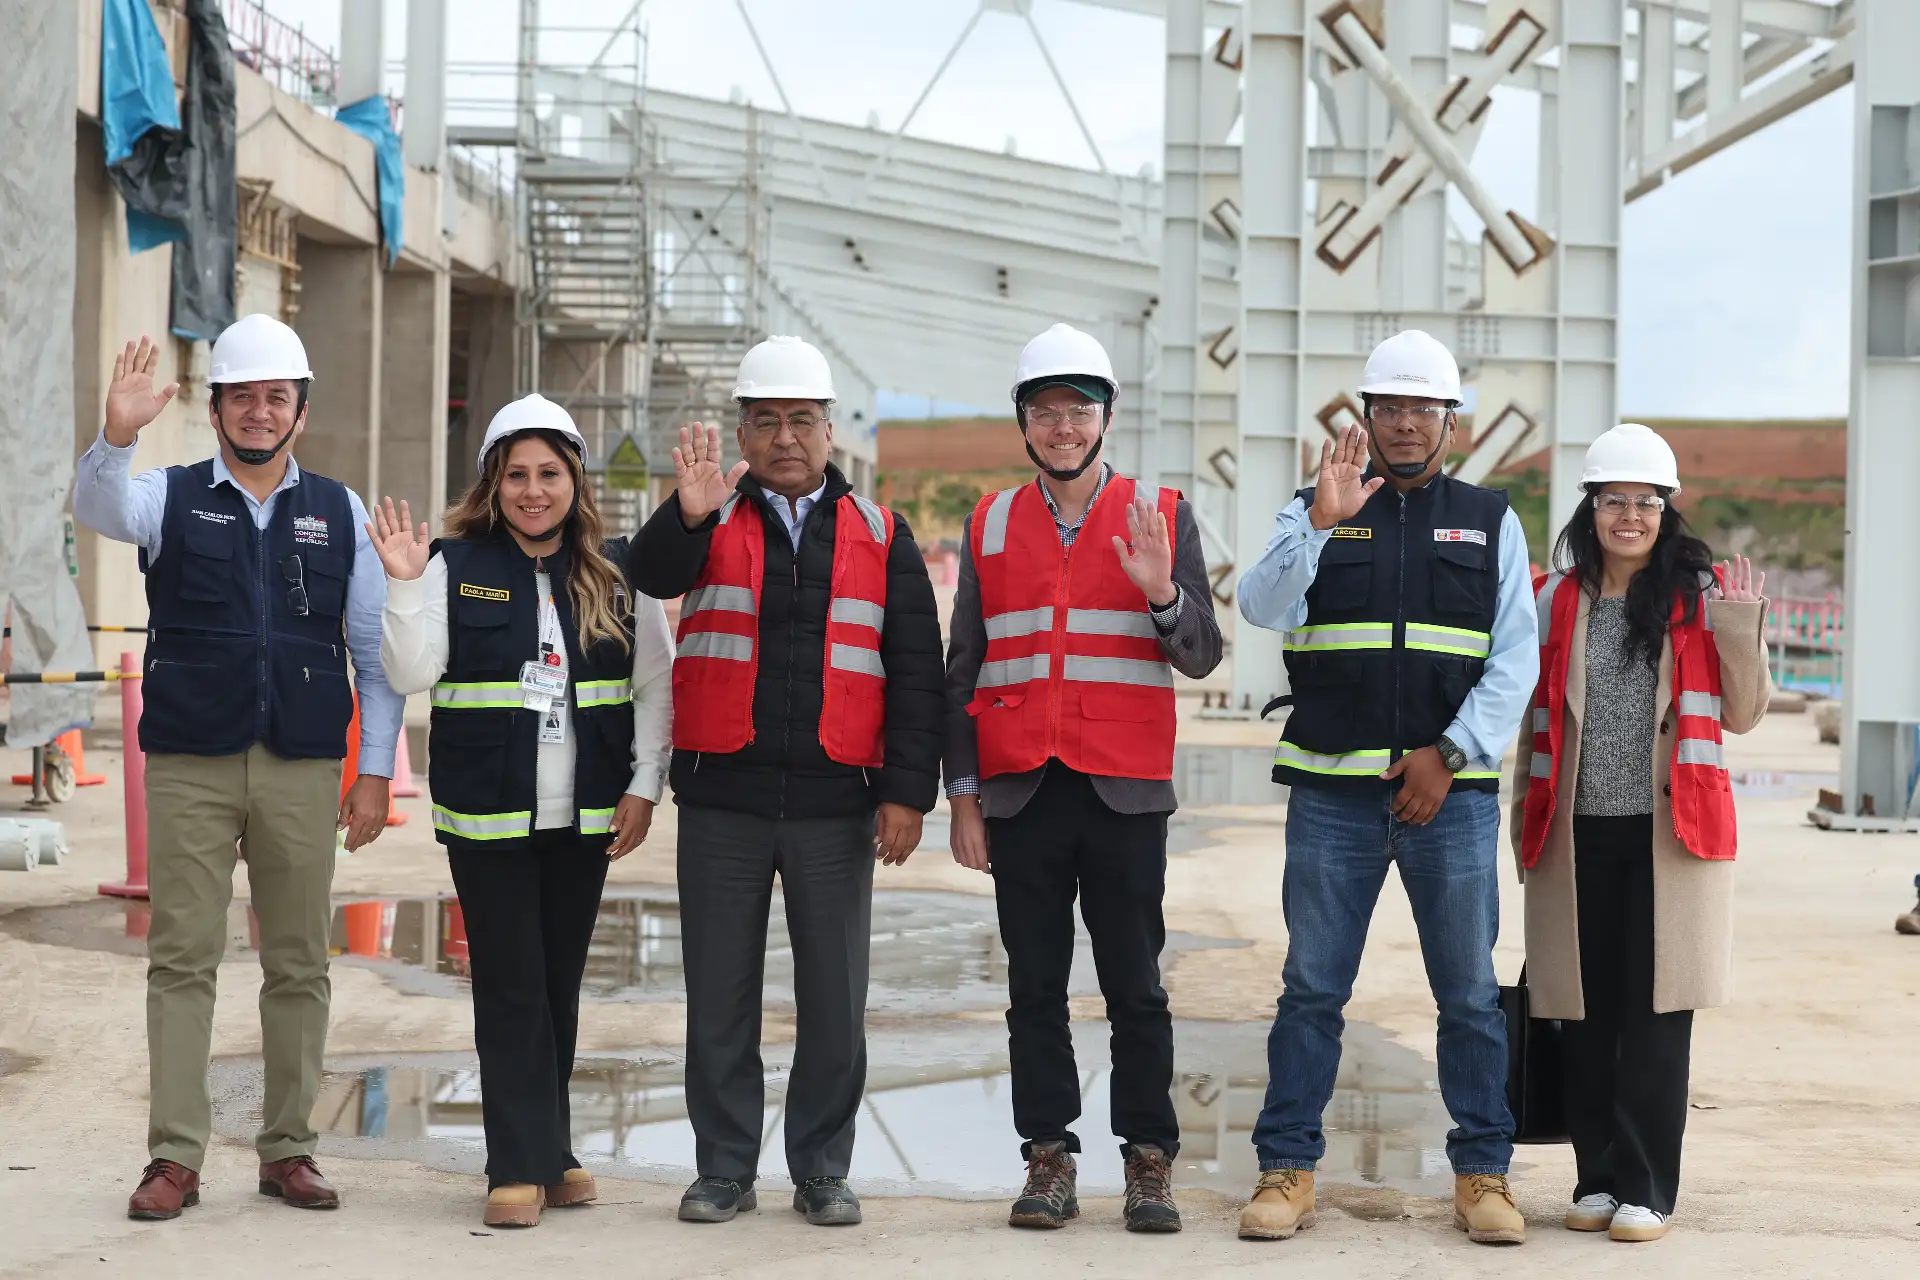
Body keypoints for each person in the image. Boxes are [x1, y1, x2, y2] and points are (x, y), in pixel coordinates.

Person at [73, 318, 404, 1221]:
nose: (260, 412)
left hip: (303, 765)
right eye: (243, 397)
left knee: (298, 963)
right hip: (191, 761)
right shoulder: (166, 494)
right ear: (216, 407)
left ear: (301, 411)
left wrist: (375, 770)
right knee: (182, 959)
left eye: (276, 398)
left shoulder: (340, 512)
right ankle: (174, 1157)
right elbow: (99, 510)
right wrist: (116, 437)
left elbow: (372, 656)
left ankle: (289, 1149)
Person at [625, 336, 943, 1228]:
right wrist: (684, 516)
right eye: (765, 422)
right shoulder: (706, 518)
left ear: (830, 429)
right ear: (742, 433)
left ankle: (822, 1170)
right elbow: (647, 576)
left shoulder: (882, 533)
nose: (785, 438)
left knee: (835, 1001)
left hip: (836, 807)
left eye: (801, 420)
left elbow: (917, 669)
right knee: (719, 997)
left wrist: (907, 793)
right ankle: (724, 1169)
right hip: (723, 800)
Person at [1236, 330, 1536, 1246]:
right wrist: (1322, 526)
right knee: (1311, 991)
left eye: (1423, 409)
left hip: (1452, 797)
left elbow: (1515, 657)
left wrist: (1449, 753)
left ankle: (1483, 1175)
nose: (1406, 423)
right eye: (1390, 407)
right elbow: (1261, 605)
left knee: (1470, 997)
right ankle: (1287, 1170)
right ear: (1364, 417)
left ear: (1452, 423)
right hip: (1333, 796)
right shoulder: (1313, 507)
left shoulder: (1490, 520)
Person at [944, 323, 1223, 1233]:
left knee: (1135, 986)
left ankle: (1148, 1159)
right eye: (1045, 411)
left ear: (1107, 417)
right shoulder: (989, 522)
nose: (1062, 427)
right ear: (1024, 422)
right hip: (1022, 788)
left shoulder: (1160, 513)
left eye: (1079, 410)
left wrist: (1161, 591)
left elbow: (1201, 653)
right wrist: (964, 797)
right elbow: (964, 667)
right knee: (1034, 988)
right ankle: (1049, 1158)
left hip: (1123, 790)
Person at [373, 394, 673, 1228]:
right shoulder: (452, 563)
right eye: (516, 476)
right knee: (511, 988)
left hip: (586, 816)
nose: (533, 491)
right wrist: (403, 585)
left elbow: (655, 684)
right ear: (492, 484)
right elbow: (409, 672)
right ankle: (514, 1166)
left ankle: (553, 1151)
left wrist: (645, 784)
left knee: (557, 988)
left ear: (575, 481)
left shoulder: (618, 571)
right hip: (489, 817)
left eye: (548, 474)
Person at [1513, 423, 1771, 1243]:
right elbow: (1533, 724)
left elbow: (1743, 714)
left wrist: (1739, 625)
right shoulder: (1554, 600)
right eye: (1614, 501)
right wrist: (1526, 833)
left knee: (1656, 1021)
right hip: (1576, 836)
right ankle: (1595, 1178)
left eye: (1646, 502)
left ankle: (1647, 1189)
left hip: (1672, 840)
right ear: (1590, 509)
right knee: (1582, 1016)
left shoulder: (1699, 599)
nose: (1630, 516)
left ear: (1667, 512)